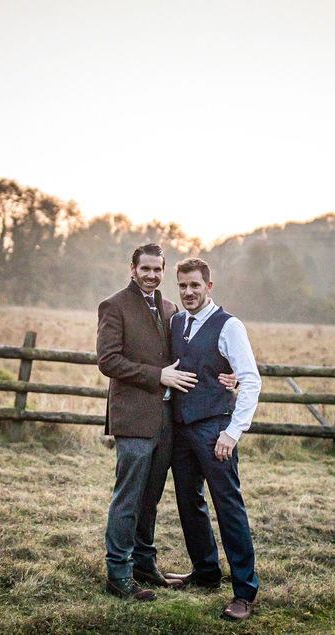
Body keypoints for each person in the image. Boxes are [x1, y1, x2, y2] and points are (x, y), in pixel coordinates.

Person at [95, 243, 198, 601]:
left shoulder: (170, 309)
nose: (152, 275)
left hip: (165, 422)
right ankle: (118, 573)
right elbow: (108, 361)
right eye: (146, 269)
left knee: (150, 498)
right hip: (133, 419)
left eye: (158, 269)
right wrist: (158, 376)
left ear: (164, 270)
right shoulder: (114, 306)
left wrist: (228, 375)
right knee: (128, 498)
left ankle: (143, 563)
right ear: (133, 268)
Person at [165, 257, 262, 621]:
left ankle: (244, 592)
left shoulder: (229, 326)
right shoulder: (176, 322)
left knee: (228, 507)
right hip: (181, 428)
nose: (188, 292)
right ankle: (205, 572)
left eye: (195, 285)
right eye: (182, 286)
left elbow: (250, 380)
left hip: (215, 429)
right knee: (189, 502)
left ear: (208, 286)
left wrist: (232, 432)